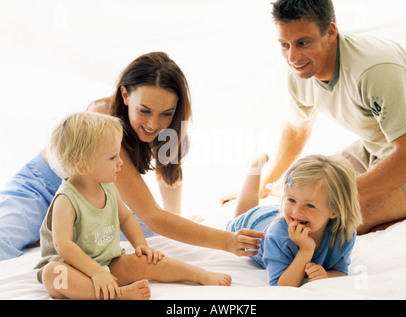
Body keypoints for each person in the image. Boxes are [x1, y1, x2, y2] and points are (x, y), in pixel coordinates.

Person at [0, 51, 264, 260]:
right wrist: (227, 242)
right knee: (3, 245)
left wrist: (177, 218)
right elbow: (153, 216)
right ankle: (47, 231)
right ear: (125, 95)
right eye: (145, 111)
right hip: (42, 187)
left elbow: (168, 180)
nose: (154, 125)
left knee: (155, 233)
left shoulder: (171, 128)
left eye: (166, 113)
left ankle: (55, 232)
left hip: (92, 201)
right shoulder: (104, 118)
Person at [256, 0, 406, 234]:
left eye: (303, 43)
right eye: (285, 44)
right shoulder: (300, 69)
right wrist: (262, 186)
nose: (292, 57)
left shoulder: (374, 71)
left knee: (334, 222)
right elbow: (296, 130)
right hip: (376, 146)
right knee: (297, 191)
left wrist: (339, 195)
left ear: (331, 32)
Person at [34, 112, 232, 300]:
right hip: (73, 267)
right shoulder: (66, 200)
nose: (121, 163)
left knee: (146, 261)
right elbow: (63, 246)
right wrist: (95, 273)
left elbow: (126, 218)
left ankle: (199, 275)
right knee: (55, 275)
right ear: (83, 166)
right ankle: (117, 295)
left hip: (108, 261)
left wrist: (141, 245)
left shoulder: (108, 186)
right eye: (112, 158)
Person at [227, 153, 362, 287]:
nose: (297, 211)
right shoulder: (277, 236)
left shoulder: (344, 235)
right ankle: (254, 168)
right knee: (241, 215)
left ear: (335, 210)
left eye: (310, 205)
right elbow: (282, 286)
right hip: (256, 222)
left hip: (278, 215)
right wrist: (305, 250)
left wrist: (325, 275)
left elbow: (340, 271)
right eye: (291, 199)